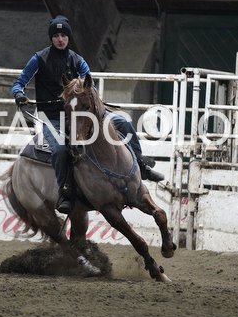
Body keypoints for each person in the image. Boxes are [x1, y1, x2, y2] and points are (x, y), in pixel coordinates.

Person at [12, 15, 164, 214]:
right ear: (51, 38)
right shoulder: (39, 59)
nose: (60, 39)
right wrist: (19, 94)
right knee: (60, 150)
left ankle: (140, 165)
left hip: (81, 115)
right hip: (53, 118)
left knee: (124, 123)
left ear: (68, 37)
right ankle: (65, 192)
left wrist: (90, 102)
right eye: (56, 35)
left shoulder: (78, 60)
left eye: (63, 35)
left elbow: (90, 85)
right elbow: (19, 83)